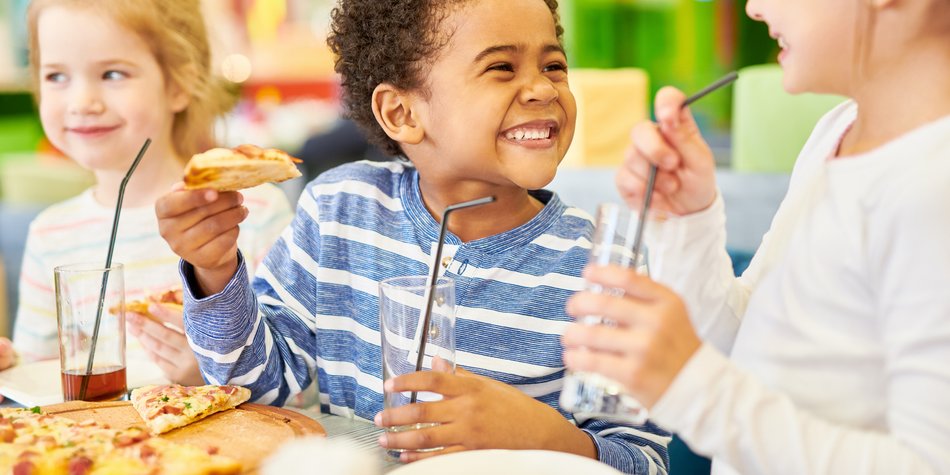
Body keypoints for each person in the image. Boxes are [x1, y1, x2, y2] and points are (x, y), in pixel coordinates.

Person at [155, 0, 670, 472]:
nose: (541, 88)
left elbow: (644, 459)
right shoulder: (340, 208)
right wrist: (215, 269)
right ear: (402, 113)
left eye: (553, 65)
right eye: (501, 67)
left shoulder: (602, 264)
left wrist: (549, 438)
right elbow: (256, 385)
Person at [561, 0, 950, 473]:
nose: (754, 9)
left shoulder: (934, 184)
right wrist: (691, 220)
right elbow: (746, 345)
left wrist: (693, 388)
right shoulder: (837, 132)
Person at [0, 0, 292, 390]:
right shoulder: (49, 232)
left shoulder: (252, 213)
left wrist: (212, 369)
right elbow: (41, 382)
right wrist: (11, 367)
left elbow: (300, 384)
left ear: (178, 85)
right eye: (56, 76)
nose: (82, 102)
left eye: (113, 73)